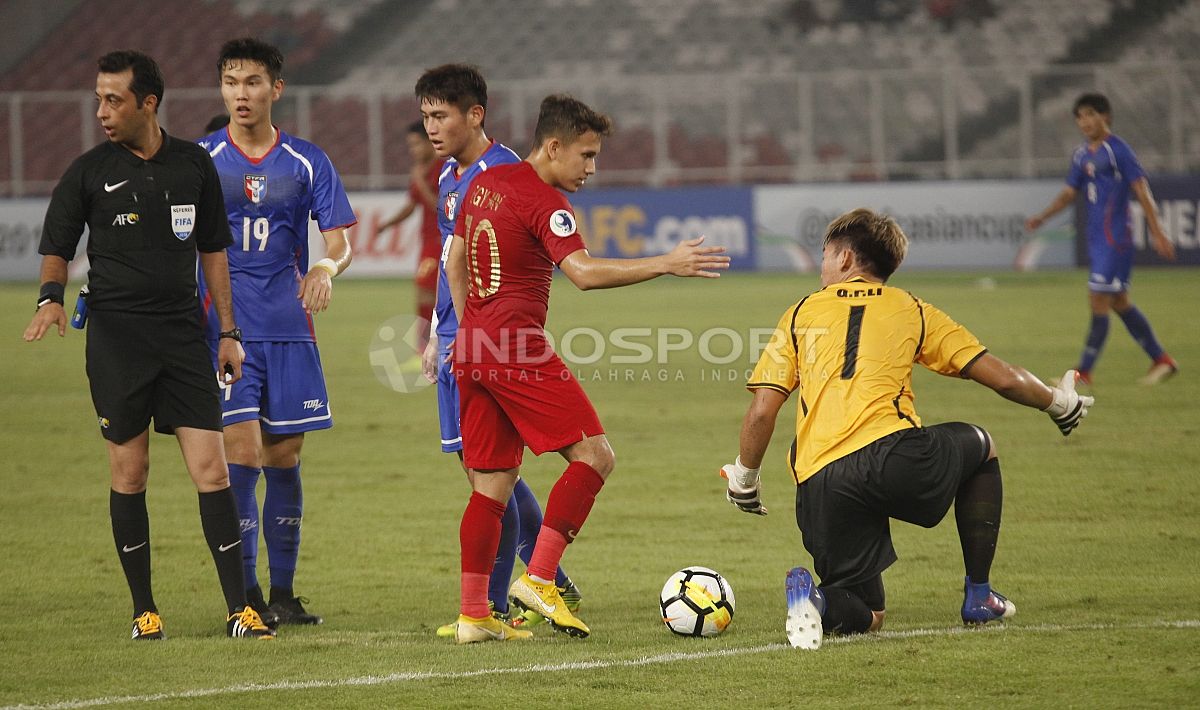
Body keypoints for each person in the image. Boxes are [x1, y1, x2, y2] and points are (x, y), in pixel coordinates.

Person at [720, 207, 1093, 650]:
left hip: (821, 480)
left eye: (824, 255)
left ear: (843, 260)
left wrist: (745, 477)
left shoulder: (800, 312)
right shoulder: (912, 308)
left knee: (862, 610)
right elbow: (1005, 377)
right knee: (982, 447)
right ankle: (978, 595)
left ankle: (817, 600)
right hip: (894, 458)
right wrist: (1058, 402)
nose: (822, 266)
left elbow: (764, 410)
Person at [444, 94, 731, 644]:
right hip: (515, 346)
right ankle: (541, 578)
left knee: (492, 485)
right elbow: (583, 272)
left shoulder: (481, 184)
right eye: (587, 155)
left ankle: (473, 616)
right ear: (553, 146)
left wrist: (471, 328)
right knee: (596, 456)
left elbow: (454, 261)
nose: (592, 169)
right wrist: (666, 263)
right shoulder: (545, 201)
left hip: (473, 347)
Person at [23, 50, 274, 640]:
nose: (102, 112)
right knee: (130, 473)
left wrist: (229, 334)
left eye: (114, 100)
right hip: (117, 343)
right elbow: (56, 244)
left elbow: (214, 250)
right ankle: (145, 610)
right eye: (98, 100)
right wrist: (50, 297)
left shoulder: (193, 165)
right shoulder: (88, 171)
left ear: (149, 103)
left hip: (184, 338)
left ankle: (240, 609)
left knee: (212, 470)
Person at [415, 65, 587, 638]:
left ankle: (501, 600)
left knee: (491, 474)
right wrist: (450, 330)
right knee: (490, 472)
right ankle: (527, 587)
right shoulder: (451, 175)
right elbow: (453, 261)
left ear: (475, 114)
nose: (432, 127)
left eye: (441, 115)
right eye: (427, 116)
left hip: (481, 342)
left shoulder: (502, 173)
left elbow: (465, 262)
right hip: (474, 340)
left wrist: (468, 332)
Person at [197, 37, 355, 627]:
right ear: (222, 88)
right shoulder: (201, 160)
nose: (242, 93)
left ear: (276, 89)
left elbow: (340, 242)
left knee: (284, 456)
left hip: (291, 330)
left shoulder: (307, 161)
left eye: (253, 82)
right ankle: (247, 596)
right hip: (227, 332)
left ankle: (284, 594)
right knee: (240, 453)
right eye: (232, 82)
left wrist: (322, 266)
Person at [1025, 92, 1178, 386]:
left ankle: (1084, 372)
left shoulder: (1118, 150)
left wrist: (1158, 231)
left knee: (1098, 299)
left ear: (1105, 116)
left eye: (1090, 115)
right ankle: (1162, 360)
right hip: (1098, 240)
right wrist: (1043, 217)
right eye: (1080, 116)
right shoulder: (1082, 154)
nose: (1084, 122)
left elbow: (1141, 190)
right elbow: (1070, 193)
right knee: (1119, 301)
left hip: (1115, 238)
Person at [379, 120, 444, 353]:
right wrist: (388, 224)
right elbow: (412, 205)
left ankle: (428, 344)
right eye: (411, 145)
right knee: (426, 292)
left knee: (427, 291)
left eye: (417, 144)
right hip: (427, 242)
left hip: (440, 242)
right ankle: (427, 344)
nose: (413, 150)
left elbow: (442, 207)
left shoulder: (442, 169)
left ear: (429, 142)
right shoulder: (423, 169)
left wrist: (420, 182)